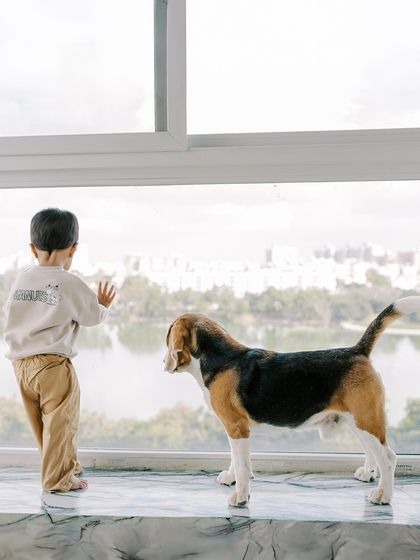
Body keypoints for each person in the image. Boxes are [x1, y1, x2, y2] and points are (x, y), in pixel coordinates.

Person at [3, 208, 116, 492]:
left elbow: (11, 316)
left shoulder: (22, 279)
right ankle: (58, 479)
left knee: (42, 427)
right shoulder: (69, 281)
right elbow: (91, 317)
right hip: (53, 366)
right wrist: (103, 306)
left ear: (32, 248)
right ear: (73, 249)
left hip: (21, 365)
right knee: (61, 423)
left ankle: (65, 465)